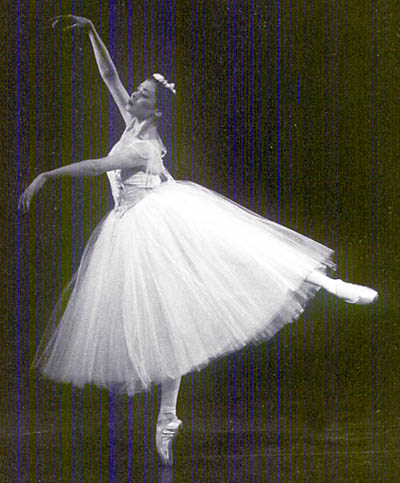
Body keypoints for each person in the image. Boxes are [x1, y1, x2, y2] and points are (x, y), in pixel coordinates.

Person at [19, 15, 378, 466]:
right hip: (134, 225)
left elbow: (95, 167)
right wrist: (92, 30)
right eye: (135, 92)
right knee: (168, 327)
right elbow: (109, 75)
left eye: (142, 96)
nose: (132, 96)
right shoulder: (133, 123)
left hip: (154, 222)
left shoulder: (141, 145)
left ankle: (327, 283)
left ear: (154, 111)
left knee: (236, 252)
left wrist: (48, 174)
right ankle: (167, 419)